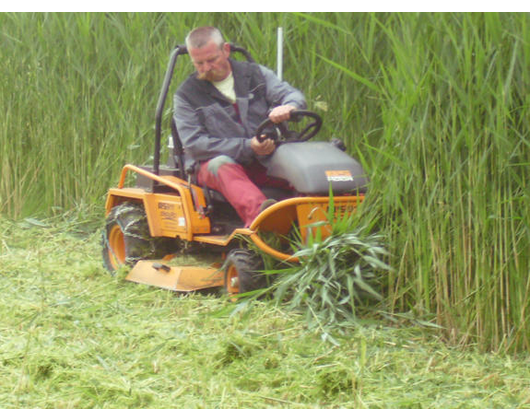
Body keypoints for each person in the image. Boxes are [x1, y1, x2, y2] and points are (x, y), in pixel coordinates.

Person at [174, 27, 307, 227]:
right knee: (221, 164)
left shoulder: (256, 75)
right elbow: (195, 144)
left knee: (306, 170)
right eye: (199, 63)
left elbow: (291, 95)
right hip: (213, 165)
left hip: (264, 159)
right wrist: (247, 146)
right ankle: (264, 223)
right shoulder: (186, 95)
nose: (206, 67)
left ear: (226, 50)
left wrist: (290, 106)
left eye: (212, 60)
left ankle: (318, 220)